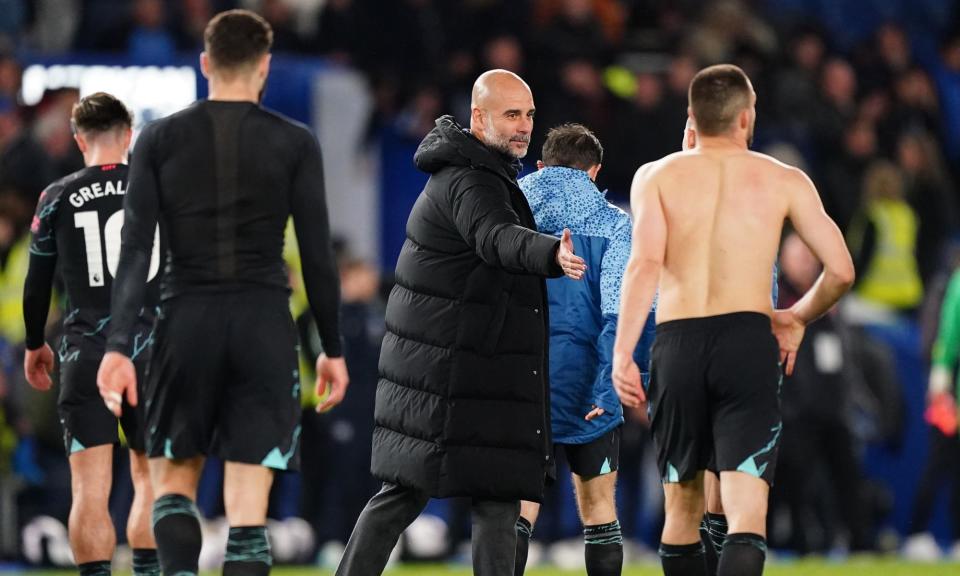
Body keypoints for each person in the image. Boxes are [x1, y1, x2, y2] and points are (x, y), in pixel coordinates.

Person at [96, 10, 349, 576]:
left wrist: (117, 346)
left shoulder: (158, 139)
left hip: (184, 320)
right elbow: (315, 257)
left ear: (206, 62)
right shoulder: (294, 142)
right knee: (247, 511)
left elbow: (135, 252)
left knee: (173, 489)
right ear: (263, 67)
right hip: (263, 324)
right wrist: (330, 348)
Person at [335, 69, 586, 576]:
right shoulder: (469, 178)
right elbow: (497, 237)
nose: (523, 126)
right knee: (406, 494)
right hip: (444, 372)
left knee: (492, 495)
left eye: (529, 115)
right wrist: (548, 252)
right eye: (511, 114)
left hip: (468, 367)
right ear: (478, 116)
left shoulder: (484, 172)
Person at [612, 64, 854, 576]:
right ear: (746, 118)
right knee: (746, 514)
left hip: (676, 344)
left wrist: (622, 353)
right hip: (748, 342)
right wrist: (796, 318)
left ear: (692, 119)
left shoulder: (656, 176)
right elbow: (841, 271)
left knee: (681, 512)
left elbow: (644, 263)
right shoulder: (783, 178)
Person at [22, 92, 160, 576]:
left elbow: (37, 281)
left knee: (89, 488)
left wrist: (35, 342)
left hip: (85, 354)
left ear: (80, 140)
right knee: (149, 482)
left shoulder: (57, 195)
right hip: (149, 351)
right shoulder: (155, 190)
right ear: (128, 137)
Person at [513, 122, 656, 576]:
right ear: (594, 171)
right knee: (598, 510)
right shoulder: (616, 225)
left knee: (516, 511)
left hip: (520, 382)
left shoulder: (506, 212)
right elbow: (627, 311)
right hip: (589, 382)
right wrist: (613, 385)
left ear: (540, 166)